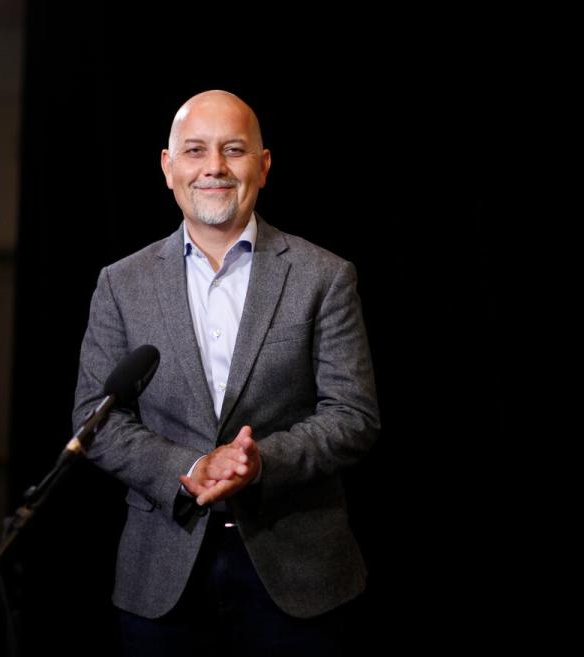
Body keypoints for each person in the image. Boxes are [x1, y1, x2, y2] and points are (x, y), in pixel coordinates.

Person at [72, 90, 379, 656]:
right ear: (168, 168)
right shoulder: (121, 284)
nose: (213, 166)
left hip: (300, 576)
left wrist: (261, 462)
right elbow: (97, 421)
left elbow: (353, 416)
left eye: (233, 150)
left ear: (262, 166)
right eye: (195, 150)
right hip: (161, 577)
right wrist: (189, 466)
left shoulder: (324, 276)